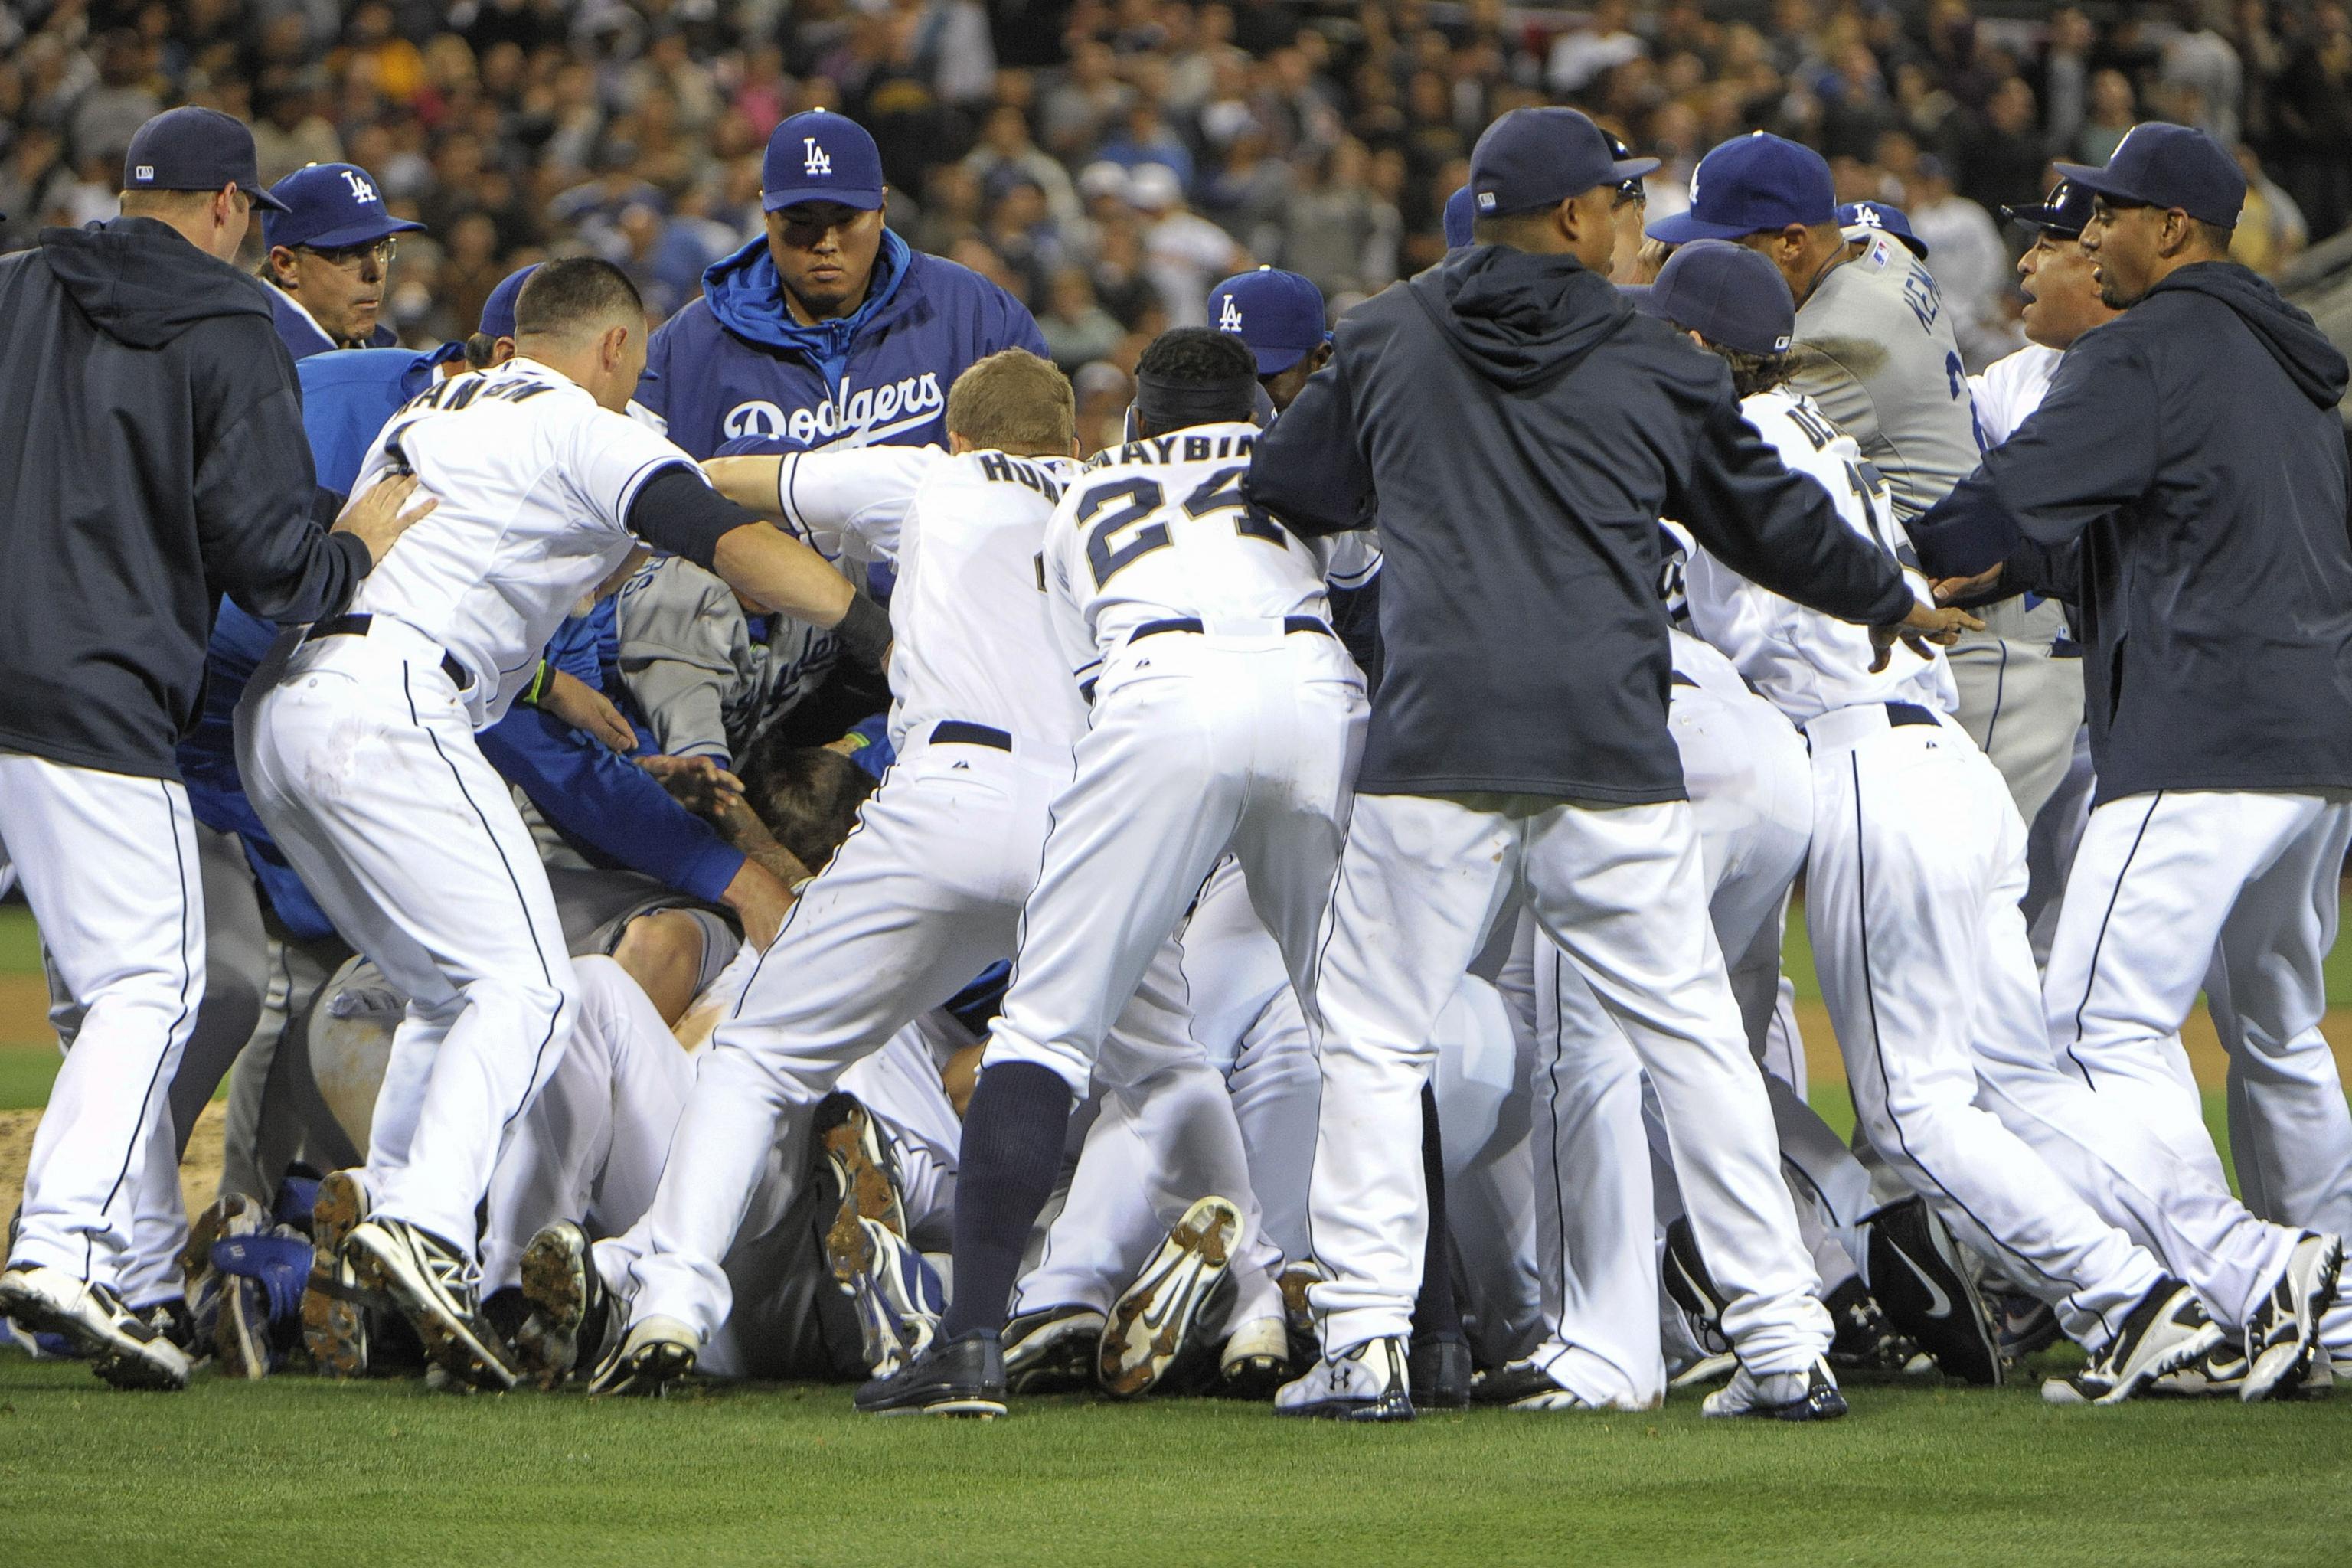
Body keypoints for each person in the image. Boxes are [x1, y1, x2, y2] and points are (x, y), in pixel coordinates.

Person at [1246, 106, 1963, 1423]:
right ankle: (1782, 1344)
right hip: (1611, 749)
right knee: (1692, 1040)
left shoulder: (1392, 332)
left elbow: (1292, 483)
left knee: (1371, 1036)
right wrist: (1887, 593)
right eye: (1624, 204)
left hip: (1438, 744)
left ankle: (1359, 1342)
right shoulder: (1651, 356)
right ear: (1572, 218)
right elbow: (1766, 518)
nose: (1638, 223)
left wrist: (1420, 473)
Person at [234, 258, 887, 1391]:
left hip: (288, 713)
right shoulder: (581, 423)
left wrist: (545, 685)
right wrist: (870, 623)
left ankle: (387, 1225)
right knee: (528, 985)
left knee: (454, 987)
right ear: (615, 350)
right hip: (390, 707)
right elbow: (724, 536)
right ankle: (429, 1226)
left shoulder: (443, 402)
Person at [1655, 240, 2288, 1406]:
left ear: (1694, 348)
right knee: (2020, 1081)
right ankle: (2254, 1273)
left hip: (1864, 760)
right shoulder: (1811, 429)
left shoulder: (1715, 446)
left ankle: (2131, 1304)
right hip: (1951, 764)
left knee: (1913, 1106)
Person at [587, 351, 1260, 1408]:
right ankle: (1264, 1296)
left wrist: (614, 470)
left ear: (958, 436)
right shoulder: (1112, 493)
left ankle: (669, 1291)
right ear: (1072, 443)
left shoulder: (927, 479)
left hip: (944, 795)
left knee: (762, 1055)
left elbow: (730, 481)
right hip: (1091, 813)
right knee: (1170, 1072)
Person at [851, 327, 1369, 1419]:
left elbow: (1087, 677)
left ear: (1139, 416)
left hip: (1160, 685)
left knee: (1043, 1028)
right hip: (1317, 688)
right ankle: (1412, 1337)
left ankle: (976, 1341)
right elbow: (1363, 585)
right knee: (1362, 1020)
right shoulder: (1298, 464)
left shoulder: (1089, 490)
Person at [1913, 122, 2351, 1396]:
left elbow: (1995, 505)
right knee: (2273, 1025)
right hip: (2314, 742)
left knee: (2093, 1022)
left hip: (2200, 736)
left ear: (2173, 231)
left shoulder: (2146, 346)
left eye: (2105, 214)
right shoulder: (2282, 366)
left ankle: (2237, 1286)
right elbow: (2144, 525)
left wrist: (1895, 555)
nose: (2083, 233)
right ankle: (2329, 1306)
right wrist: (2013, 565)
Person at [0, 107, 426, 1391]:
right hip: (95, 689)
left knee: (108, 993)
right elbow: (267, 556)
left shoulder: (20, 284)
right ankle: (61, 1246)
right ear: (239, 209)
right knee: (157, 983)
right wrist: (354, 547)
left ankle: (134, 1282)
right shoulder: (233, 318)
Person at [1649, 134, 2083, 833]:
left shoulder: (1830, 340)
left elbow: (1705, 419)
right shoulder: (1874, 254)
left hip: (1983, 649)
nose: (1698, 262)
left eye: (1721, 247)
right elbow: (1881, 228)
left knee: (1962, 913)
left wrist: (1653, 302)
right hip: (1966, 631)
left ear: (1793, 243)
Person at [639, 109, 1047, 459]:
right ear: (766, 215)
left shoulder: (973, 313)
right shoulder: (687, 348)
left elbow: (1041, 464)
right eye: (801, 222)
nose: (826, 243)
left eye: (846, 219)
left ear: (882, 209)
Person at [260, 160, 423, 358]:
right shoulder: (258, 361)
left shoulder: (380, 352)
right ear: (286, 265)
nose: (375, 273)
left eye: (382, 249)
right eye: (351, 252)